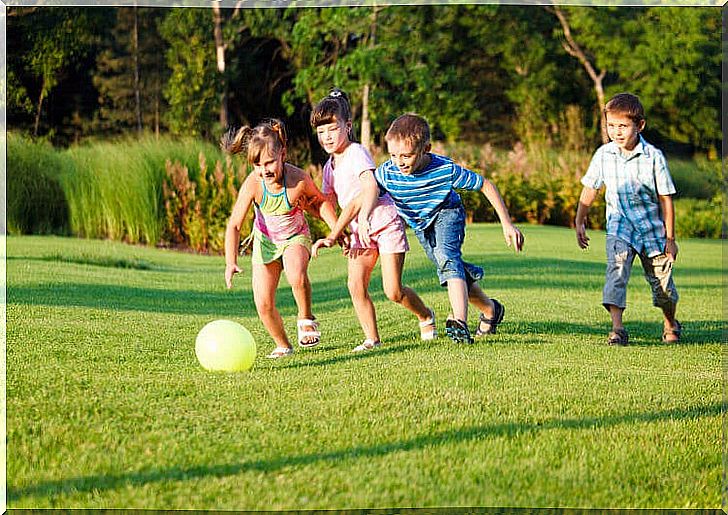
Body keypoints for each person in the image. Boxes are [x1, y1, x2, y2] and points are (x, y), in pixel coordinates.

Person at [363, 113, 524, 344]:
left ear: (426, 148)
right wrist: (355, 221)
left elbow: (486, 185)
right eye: (393, 155)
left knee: (447, 258)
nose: (399, 162)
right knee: (450, 267)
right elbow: (367, 192)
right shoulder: (388, 173)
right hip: (421, 225)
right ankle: (490, 310)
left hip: (447, 213)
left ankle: (459, 322)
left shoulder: (444, 170)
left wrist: (507, 224)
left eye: (406, 156)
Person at [310, 89, 436, 352]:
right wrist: (337, 232)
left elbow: (370, 187)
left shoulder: (356, 152)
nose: (327, 137)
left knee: (393, 290)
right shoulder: (328, 168)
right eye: (321, 132)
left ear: (348, 126)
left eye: (332, 129)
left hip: (383, 222)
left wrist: (364, 218)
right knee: (355, 285)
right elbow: (326, 202)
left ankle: (425, 316)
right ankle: (372, 339)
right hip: (359, 231)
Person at [221, 119, 338, 358]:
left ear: (283, 154)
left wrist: (337, 231)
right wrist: (230, 261)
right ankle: (283, 344)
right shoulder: (254, 184)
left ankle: (305, 317)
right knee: (263, 304)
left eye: (269, 162)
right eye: (257, 164)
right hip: (265, 243)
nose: (264, 170)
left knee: (296, 273)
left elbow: (321, 203)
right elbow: (234, 224)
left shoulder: (298, 180)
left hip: (295, 237)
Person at [575, 92, 681, 345]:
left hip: (652, 231)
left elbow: (666, 198)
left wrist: (670, 238)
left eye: (623, 126)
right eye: (611, 126)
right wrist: (580, 220)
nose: (616, 132)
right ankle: (618, 329)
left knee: (663, 287)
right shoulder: (603, 155)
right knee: (617, 272)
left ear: (640, 125)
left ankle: (670, 323)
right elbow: (590, 189)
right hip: (619, 227)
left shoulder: (653, 157)